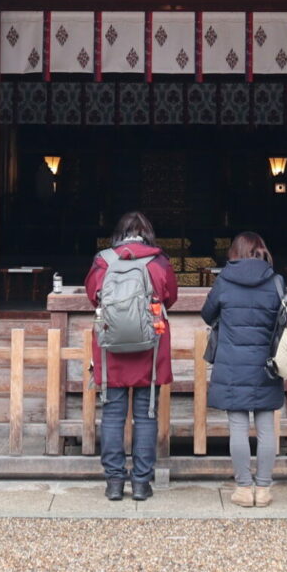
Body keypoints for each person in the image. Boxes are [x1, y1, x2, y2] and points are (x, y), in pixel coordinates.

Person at [84, 210, 178, 501]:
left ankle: (114, 483)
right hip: (149, 345)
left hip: (111, 345)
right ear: (147, 233)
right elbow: (170, 296)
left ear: (118, 234)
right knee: (146, 414)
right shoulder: (158, 261)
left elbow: (92, 295)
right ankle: (140, 483)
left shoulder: (103, 261)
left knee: (112, 415)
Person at [201, 231, 287, 508]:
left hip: (232, 363)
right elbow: (284, 317)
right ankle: (263, 489)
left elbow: (207, 313)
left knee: (237, 427)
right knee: (265, 428)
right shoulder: (275, 281)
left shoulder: (225, 280)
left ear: (235, 252)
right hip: (266, 363)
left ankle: (243, 488)